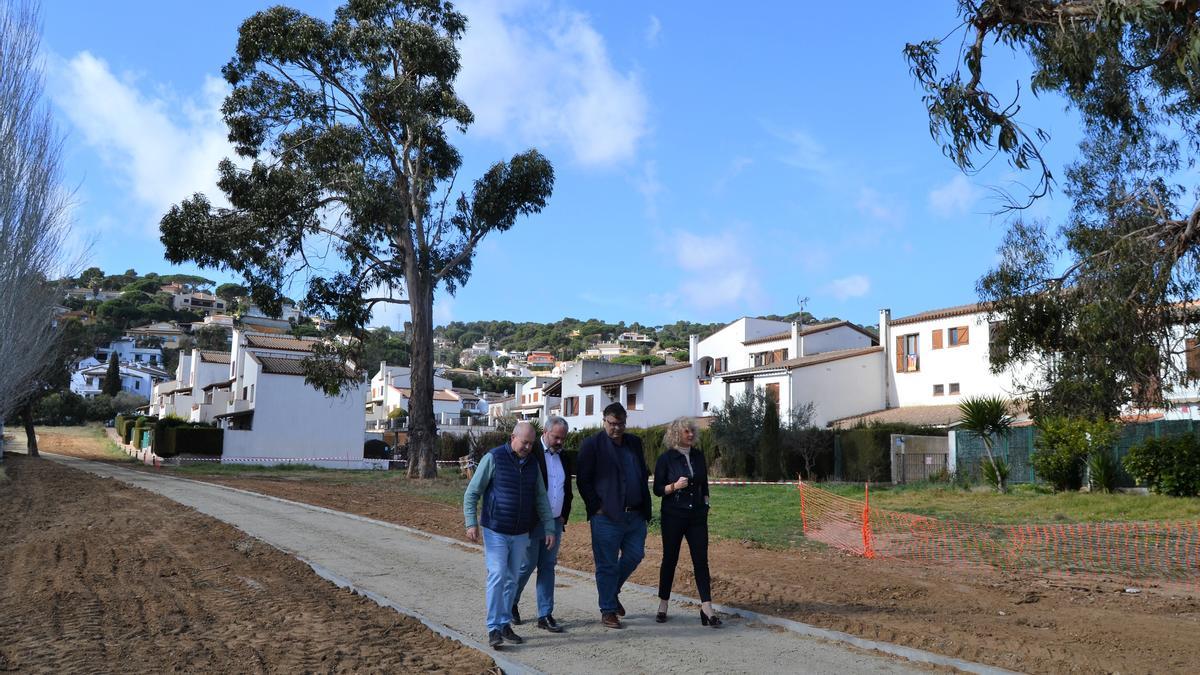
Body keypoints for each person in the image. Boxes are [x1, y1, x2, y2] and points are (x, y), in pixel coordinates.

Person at [463, 421, 557, 649]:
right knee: (497, 574)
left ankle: (505, 624)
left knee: (512, 579)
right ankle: (493, 628)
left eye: (531, 443)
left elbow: (541, 498)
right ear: (513, 437)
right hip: (495, 529)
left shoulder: (533, 464)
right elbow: (473, 492)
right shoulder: (493, 458)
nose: (527, 447)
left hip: (521, 532)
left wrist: (549, 526)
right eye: (524, 442)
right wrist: (471, 522)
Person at [576, 402, 651, 629]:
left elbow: (640, 472)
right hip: (606, 517)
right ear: (604, 421)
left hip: (635, 515)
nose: (616, 428)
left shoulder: (634, 443)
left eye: (620, 424)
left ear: (625, 422)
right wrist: (596, 506)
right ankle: (608, 610)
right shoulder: (592, 445)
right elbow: (583, 479)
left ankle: (611, 591)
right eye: (612, 424)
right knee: (606, 564)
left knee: (635, 555)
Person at [653, 416, 722, 627]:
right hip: (673, 515)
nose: (691, 434)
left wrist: (707, 504)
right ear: (676, 434)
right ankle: (663, 604)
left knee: (701, 561)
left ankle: (707, 607)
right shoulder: (666, 459)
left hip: (697, 517)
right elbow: (657, 490)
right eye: (686, 431)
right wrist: (674, 486)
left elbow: (704, 484)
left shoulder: (699, 456)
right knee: (670, 559)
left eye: (692, 431)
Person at [512, 415, 573, 632]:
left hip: (555, 522)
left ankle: (545, 614)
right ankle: (511, 602)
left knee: (548, 567)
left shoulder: (564, 457)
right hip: (533, 521)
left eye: (562, 438)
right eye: (556, 437)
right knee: (526, 565)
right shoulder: (532, 453)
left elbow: (567, 488)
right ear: (545, 433)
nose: (559, 442)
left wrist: (564, 514)